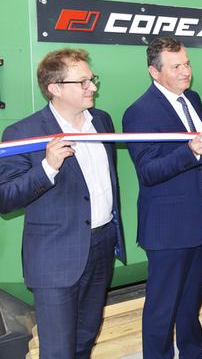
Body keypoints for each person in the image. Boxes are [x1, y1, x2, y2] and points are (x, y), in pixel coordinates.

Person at [0, 49, 126, 358]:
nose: (92, 87)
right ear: (55, 88)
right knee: (58, 350)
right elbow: (5, 198)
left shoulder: (101, 120)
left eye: (91, 79)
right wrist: (48, 167)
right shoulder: (23, 133)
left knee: (85, 340)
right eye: (82, 82)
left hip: (101, 245)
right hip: (55, 258)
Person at [122, 37, 202, 359]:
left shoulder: (193, 99)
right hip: (167, 228)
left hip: (199, 218)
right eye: (176, 66)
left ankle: (193, 353)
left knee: (191, 302)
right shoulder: (139, 112)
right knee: (162, 309)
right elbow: (149, 171)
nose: (186, 71)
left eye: (187, 63)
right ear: (154, 71)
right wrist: (189, 151)